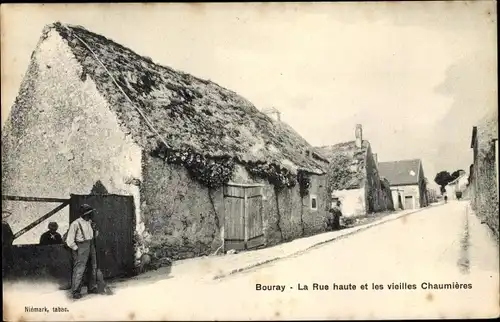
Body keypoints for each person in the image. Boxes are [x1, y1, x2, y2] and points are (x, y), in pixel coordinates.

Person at [66, 204, 100, 299]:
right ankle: (76, 291)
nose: (92, 215)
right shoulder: (75, 224)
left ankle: (92, 287)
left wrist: (94, 229)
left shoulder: (90, 223)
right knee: (79, 269)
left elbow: (94, 236)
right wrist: (77, 249)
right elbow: (69, 240)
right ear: (85, 214)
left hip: (90, 245)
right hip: (80, 246)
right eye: (90, 213)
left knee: (93, 266)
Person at [2, 211, 15, 278]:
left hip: (5, 247)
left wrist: (7, 244)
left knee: (8, 261)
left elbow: (11, 236)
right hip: (6, 247)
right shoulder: (5, 224)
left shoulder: (5, 225)